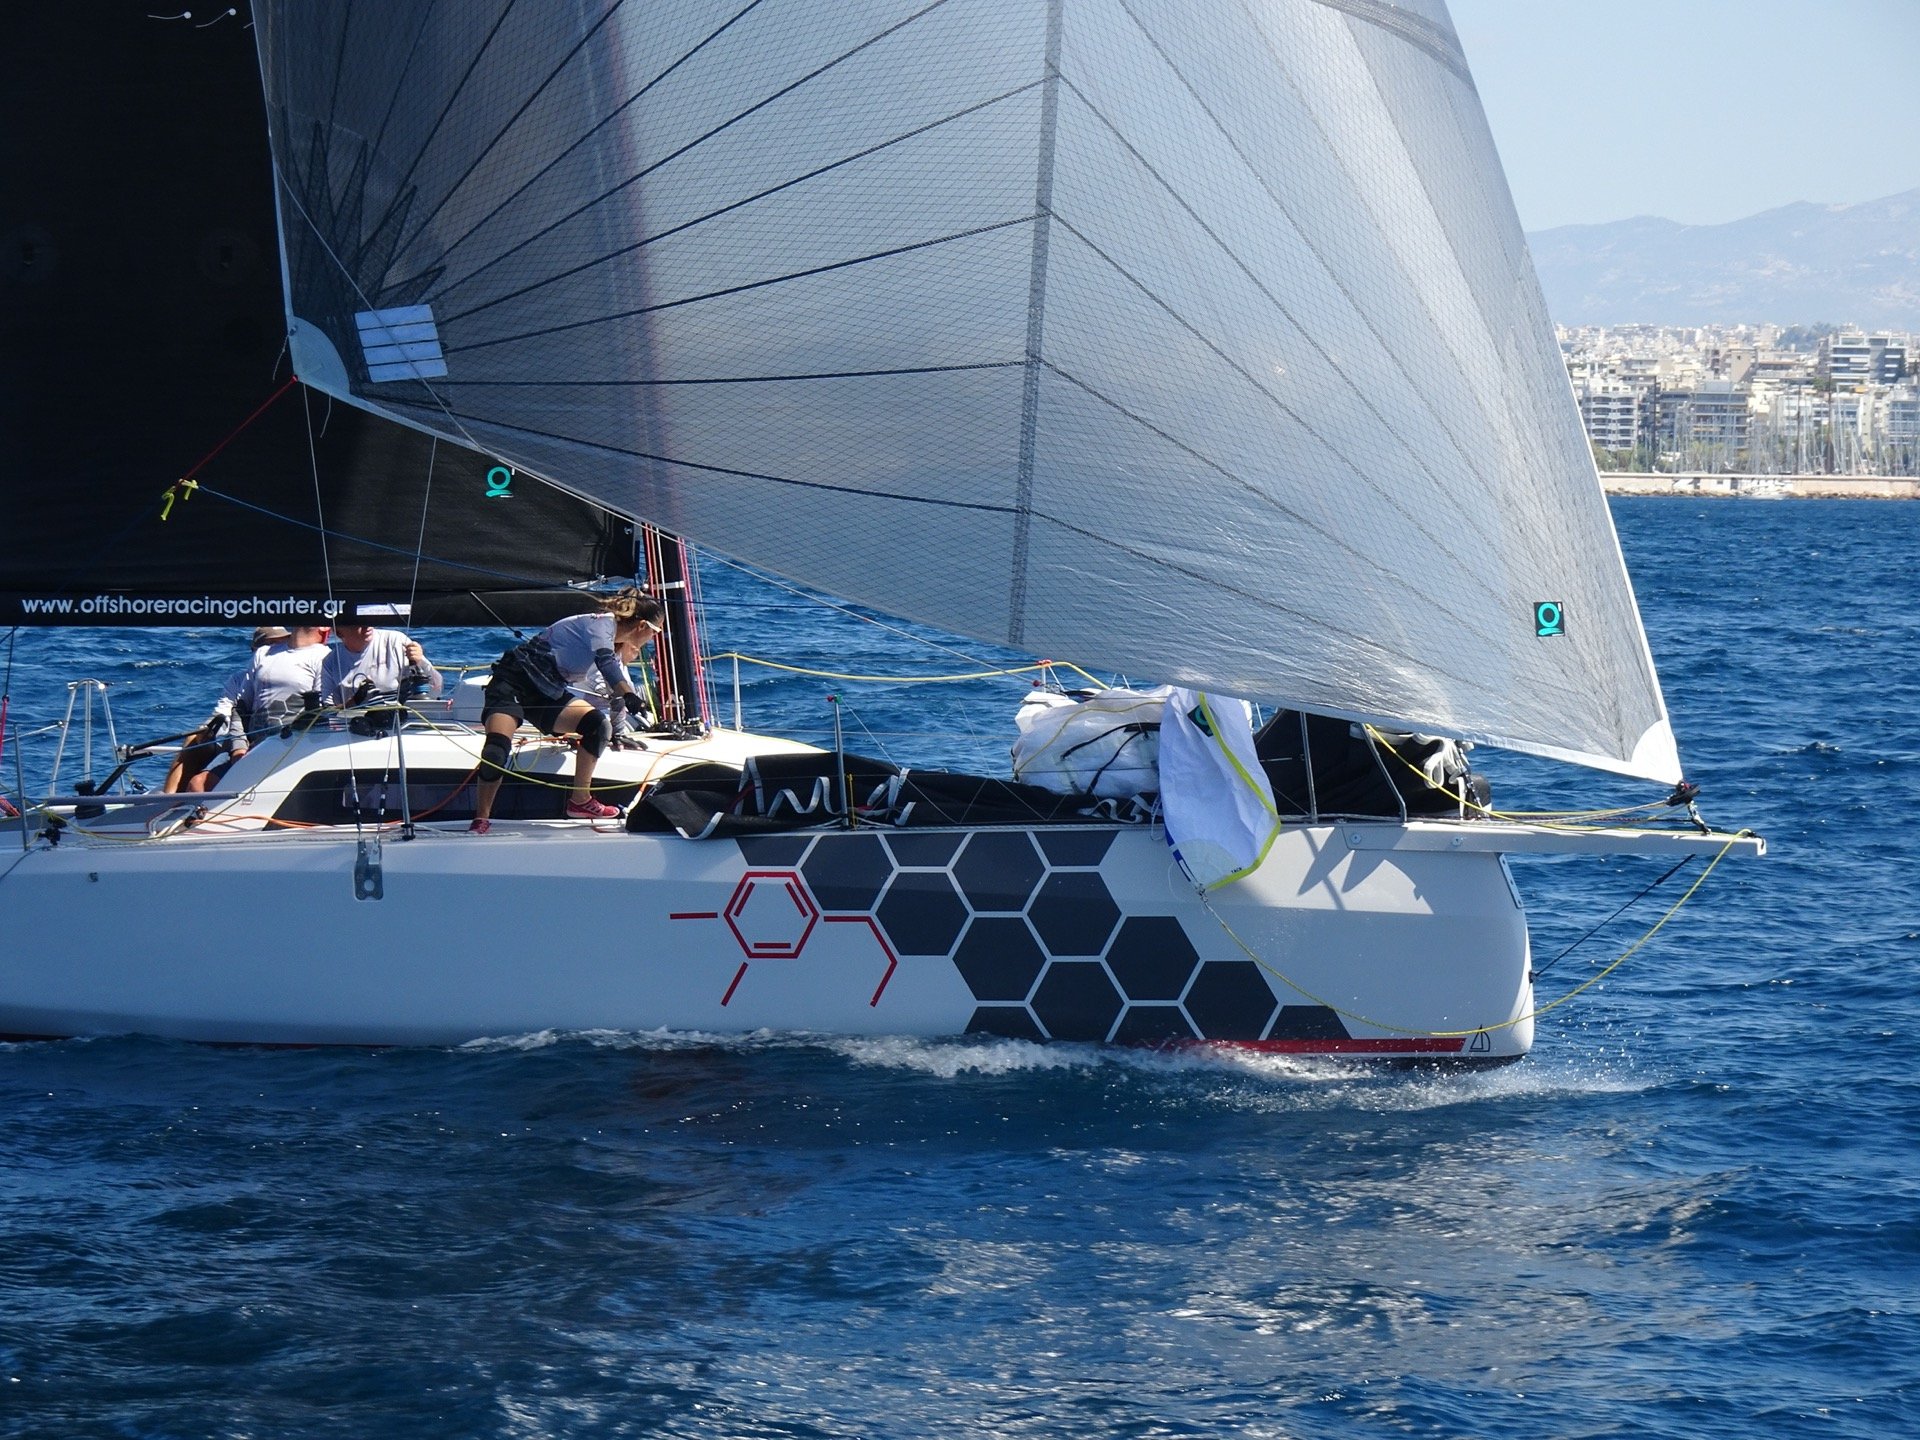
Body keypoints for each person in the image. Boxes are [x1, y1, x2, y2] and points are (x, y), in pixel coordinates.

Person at [467, 588, 663, 834]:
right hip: (513, 682)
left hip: (547, 692)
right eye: (655, 632)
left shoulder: (615, 644)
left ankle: (580, 801)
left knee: (597, 726)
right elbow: (606, 665)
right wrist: (628, 694)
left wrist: (618, 731)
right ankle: (481, 819)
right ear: (642, 626)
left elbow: (613, 687)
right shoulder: (602, 625)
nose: (653, 639)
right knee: (496, 751)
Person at [192, 618, 331, 792]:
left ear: (325, 628)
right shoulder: (263, 653)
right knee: (198, 784)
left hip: (290, 751)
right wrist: (238, 750)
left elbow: (321, 714)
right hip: (250, 750)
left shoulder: (325, 657)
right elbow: (241, 708)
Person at [163, 624, 288, 794]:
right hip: (238, 741)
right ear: (255, 651)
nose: (278, 650)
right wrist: (207, 729)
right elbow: (225, 713)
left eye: (283, 644)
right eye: (271, 645)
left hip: (273, 740)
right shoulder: (238, 680)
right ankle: (168, 800)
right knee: (193, 739)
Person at [319, 601, 443, 706]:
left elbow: (437, 688)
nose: (367, 625)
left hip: (400, 719)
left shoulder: (396, 641)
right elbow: (328, 710)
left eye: (368, 617)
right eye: (357, 622)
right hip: (354, 723)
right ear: (338, 632)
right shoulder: (330, 662)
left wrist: (420, 661)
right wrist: (355, 701)